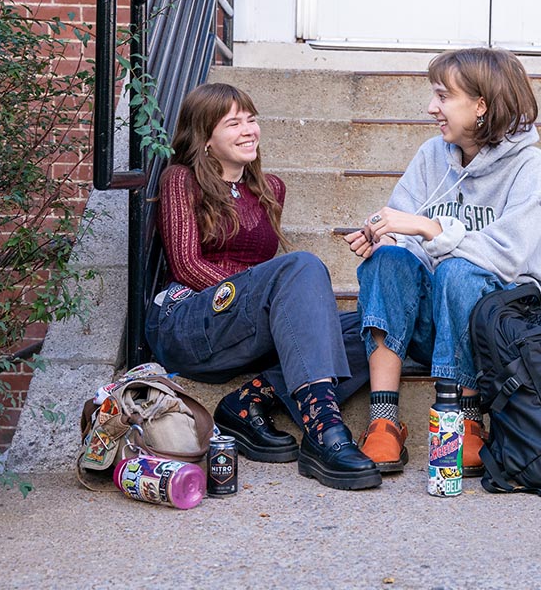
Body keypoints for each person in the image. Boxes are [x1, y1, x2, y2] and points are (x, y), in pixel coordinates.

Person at [345, 47, 541, 476]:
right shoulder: (433, 155)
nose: (432, 108)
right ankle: (384, 422)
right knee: (388, 261)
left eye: (442, 96)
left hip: (509, 328)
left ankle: (466, 419)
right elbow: (408, 232)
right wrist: (388, 237)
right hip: (444, 323)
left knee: (458, 270)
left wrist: (430, 230)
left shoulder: (531, 165)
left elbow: (506, 256)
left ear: (480, 105)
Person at [145, 82, 381, 491]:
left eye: (251, 120)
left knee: (377, 324)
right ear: (204, 138)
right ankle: (324, 429)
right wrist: (262, 294)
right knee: (302, 266)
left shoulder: (270, 188)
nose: (248, 130)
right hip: (188, 320)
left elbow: (269, 286)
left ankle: (249, 401)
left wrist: (269, 300)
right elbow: (186, 266)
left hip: (243, 326)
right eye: (233, 123)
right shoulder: (180, 180)